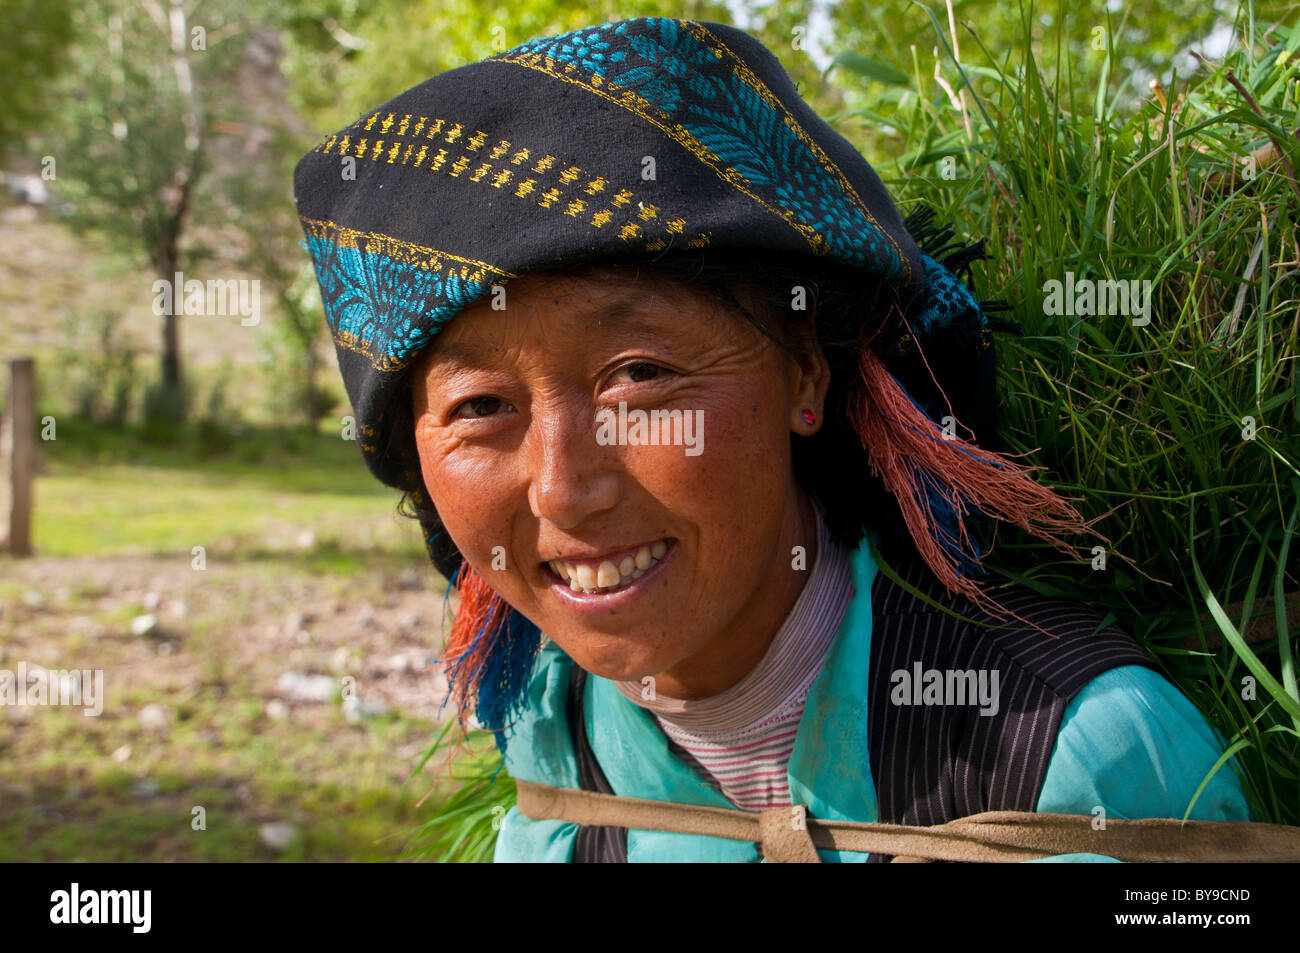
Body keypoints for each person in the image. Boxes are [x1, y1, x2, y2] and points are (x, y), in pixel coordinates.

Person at [293, 16, 1251, 862]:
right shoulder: (552, 741)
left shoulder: (1076, 753)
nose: (561, 490)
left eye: (638, 374)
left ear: (804, 368)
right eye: (480, 408)